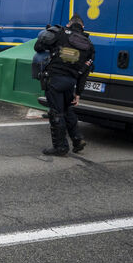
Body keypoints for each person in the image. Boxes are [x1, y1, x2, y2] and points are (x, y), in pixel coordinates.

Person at [34, 16, 93, 157]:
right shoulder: (88, 44)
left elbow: (38, 47)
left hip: (55, 79)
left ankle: (60, 147)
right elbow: (85, 71)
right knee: (68, 110)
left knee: (56, 113)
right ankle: (77, 139)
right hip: (71, 82)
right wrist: (78, 93)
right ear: (82, 27)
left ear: (69, 24)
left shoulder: (59, 33)